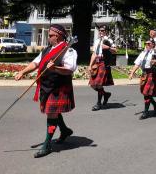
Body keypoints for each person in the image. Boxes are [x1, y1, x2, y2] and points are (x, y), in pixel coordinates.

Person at [14, 24, 77, 158]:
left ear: (58, 36)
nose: (48, 38)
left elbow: (70, 69)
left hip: (59, 87)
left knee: (51, 113)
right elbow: (35, 63)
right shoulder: (47, 50)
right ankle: (65, 130)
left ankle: (47, 145)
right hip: (46, 86)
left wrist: (55, 68)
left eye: (50, 35)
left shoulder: (68, 50)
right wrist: (22, 72)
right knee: (52, 112)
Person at [129, 40, 156, 119]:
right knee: (145, 93)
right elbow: (137, 64)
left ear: (153, 45)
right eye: (146, 43)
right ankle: (155, 104)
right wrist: (132, 73)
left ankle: (145, 112)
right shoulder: (143, 53)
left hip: (152, 74)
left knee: (146, 93)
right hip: (144, 74)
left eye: (149, 44)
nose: (147, 45)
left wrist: (155, 63)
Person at [87, 25, 117, 111]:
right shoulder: (96, 41)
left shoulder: (109, 40)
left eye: (103, 30)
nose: (101, 32)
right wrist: (90, 65)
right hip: (97, 62)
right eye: (100, 30)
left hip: (104, 62)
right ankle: (106, 94)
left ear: (106, 31)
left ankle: (98, 103)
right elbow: (94, 54)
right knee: (93, 84)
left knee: (99, 84)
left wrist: (108, 47)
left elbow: (115, 50)